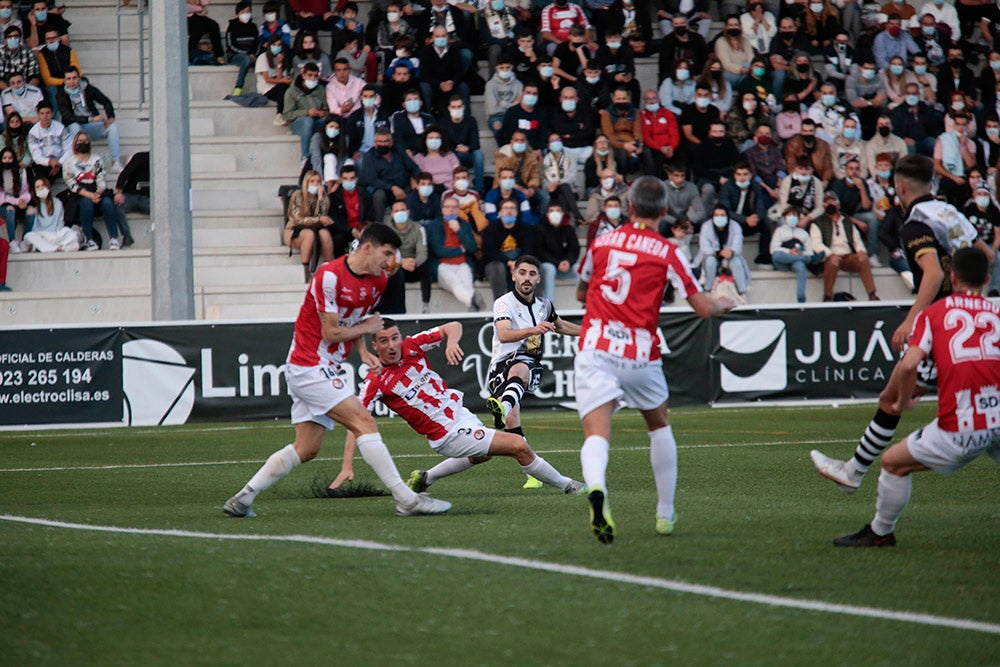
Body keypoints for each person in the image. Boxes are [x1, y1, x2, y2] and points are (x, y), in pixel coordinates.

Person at [224, 224, 452, 519]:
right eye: (386, 253)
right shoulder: (329, 276)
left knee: (307, 448)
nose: (390, 262)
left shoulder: (379, 281)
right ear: (367, 247)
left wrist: (363, 351)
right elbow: (331, 332)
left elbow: (356, 320)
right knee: (363, 421)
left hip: (324, 367)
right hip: (308, 365)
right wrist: (367, 329)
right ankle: (407, 499)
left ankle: (242, 499)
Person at [810, 155, 990, 493]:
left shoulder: (915, 223)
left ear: (900, 187)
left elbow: (934, 274)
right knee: (899, 398)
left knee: (894, 399)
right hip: (978, 314)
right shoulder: (950, 213)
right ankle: (853, 470)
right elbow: (986, 257)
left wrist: (912, 320)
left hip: (946, 326)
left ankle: (854, 473)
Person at [576, 176, 733, 543]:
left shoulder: (600, 242)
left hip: (597, 345)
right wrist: (725, 300)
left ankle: (597, 488)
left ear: (629, 208)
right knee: (659, 425)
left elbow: (583, 290)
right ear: (664, 212)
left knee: (596, 433)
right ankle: (664, 513)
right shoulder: (668, 250)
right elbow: (703, 308)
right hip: (640, 353)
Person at [830, 247, 1000, 547]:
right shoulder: (997, 312)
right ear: (987, 278)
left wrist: (903, 401)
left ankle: (880, 532)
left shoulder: (933, 313)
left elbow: (909, 364)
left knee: (893, 462)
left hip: (963, 424)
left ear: (952, 276)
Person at [338, 318, 582, 496]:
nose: (392, 345)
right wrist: (347, 465)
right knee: (519, 445)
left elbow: (453, 326)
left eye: (394, 338)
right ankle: (569, 485)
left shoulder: (412, 346)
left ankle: (425, 478)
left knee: (483, 455)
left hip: (461, 416)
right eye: (383, 341)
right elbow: (356, 423)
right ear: (374, 346)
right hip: (447, 434)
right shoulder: (375, 380)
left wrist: (450, 343)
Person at [484, 255, 581, 489]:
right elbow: (504, 334)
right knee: (503, 435)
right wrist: (533, 330)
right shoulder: (503, 303)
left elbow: (561, 326)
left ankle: (503, 406)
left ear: (539, 279)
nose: (527, 278)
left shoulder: (545, 306)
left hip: (526, 364)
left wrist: (591, 331)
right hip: (500, 365)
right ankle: (533, 474)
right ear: (514, 275)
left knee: (522, 366)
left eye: (532, 274)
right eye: (523, 272)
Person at [61, 130, 121, 251]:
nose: (83, 143)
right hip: (78, 195)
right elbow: (71, 184)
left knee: (108, 203)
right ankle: (89, 240)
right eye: (80, 141)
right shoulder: (68, 162)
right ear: (75, 144)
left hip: (96, 191)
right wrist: (89, 195)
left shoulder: (97, 159)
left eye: (85, 140)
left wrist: (98, 191)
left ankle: (114, 238)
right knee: (86, 203)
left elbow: (101, 178)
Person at [55, 67, 121, 171]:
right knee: (75, 127)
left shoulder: (87, 88)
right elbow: (68, 116)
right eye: (68, 79)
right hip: (74, 126)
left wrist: (110, 117)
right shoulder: (61, 94)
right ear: (64, 80)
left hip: (90, 126)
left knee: (112, 128)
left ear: (79, 78)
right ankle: (79, 161)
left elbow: (106, 102)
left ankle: (115, 161)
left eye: (74, 78)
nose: (72, 81)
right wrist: (90, 119)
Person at [427, 195, 480, 311]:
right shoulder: (434, 226)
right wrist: (460, 250)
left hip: (462, 264)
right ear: (442, 210)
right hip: (443, 265)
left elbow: (472, 248)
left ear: (458, 209)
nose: (451, 210)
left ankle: (473, 306)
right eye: (448, 207)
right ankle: (473, 302)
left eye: (454, 207)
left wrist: (459, 231)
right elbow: (438, 251)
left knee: (467, 284)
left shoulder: (464, 225)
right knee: (456, 282)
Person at [378, 200, 430, 314]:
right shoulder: (385, 230)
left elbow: (422, 253)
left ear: (408, 212)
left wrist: (413, 263)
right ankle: (400, 310)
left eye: (402, 210)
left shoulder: (418, 229)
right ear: (391, 214)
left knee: (426, 268)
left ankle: (426, 305)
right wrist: (401, 263)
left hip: (413, 265)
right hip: (395, 265)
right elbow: (383, 254)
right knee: (397, 272)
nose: (400, 213)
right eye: (396, 211)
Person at [359, 128, 419, 223]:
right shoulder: (369, 156)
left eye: (386, 141)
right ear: (375, 143)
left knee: (417, 192)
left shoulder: (398, 150)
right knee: (379, 195)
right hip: (384, 190)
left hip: (403, 187)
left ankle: (414, 224)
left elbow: (413, 167)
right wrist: (392, 187)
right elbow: (371, 179)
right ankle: (379, 224)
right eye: (380, 141)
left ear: (391, 143)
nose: (382, 144)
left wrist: (416, 180)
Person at [284, 170, 334, 282]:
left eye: (318, 182)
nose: (315, 184)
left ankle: (329, 270)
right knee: (309, 235)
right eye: (312, 181)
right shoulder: (297, 196)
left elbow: (322, 218)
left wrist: (320, 199)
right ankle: (306, 270)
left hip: (316, 228)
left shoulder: (324, 198)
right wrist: (318, 219)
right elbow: (298, 219)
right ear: (306, 182)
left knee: (325, 234)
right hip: (296, 230)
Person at [770, 206, 821, 302]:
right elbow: (773, 249)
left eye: (795, 216)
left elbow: (809, 251)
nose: (792, 218)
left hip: (797, 260)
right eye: (789, 215)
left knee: (801, 266)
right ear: (785, 218)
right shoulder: (779, 231)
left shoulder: (803, 233)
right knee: (776, 255)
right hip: (783, 262)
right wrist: (790, 251)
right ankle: (809, 260)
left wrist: (800, 253)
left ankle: (801, 297)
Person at [697, 205, 750, 297]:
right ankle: (707, 290)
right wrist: (718, 252)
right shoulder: (706, 227)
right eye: (716, 215)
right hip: (712, 255)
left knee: (736, 261)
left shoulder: (735, 226)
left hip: (729, 256)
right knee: (710, 261)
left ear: (727, 216)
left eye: (722, 215)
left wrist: (731, 252)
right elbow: (704, 247)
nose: (719, 218)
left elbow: (737, 245)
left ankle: (742, 292)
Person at [533, 203, 580, 301]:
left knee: (580, 269)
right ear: (546, 214)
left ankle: (583, 302)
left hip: (565, 266)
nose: (555, 213)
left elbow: (574, 249)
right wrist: (557, 263)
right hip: (547, 266)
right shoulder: (539, 229)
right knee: (549, 268)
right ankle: (549, 303)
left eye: (558, 210)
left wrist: (568, 261)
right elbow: (540, 251)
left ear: (563, 213)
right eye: (551, 211)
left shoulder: (569, 230)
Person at [283, 62, 328, 162]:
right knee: (307, 121)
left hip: (317, 121)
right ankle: (305, 157)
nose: (313, 79)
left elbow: (326, 108)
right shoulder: (292, 91)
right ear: (303, 75)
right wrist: (306, 112)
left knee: (330, 121)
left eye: (316, 76)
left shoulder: (321, 89)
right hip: (299, 123)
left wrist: (323, 113)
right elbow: (287, 115)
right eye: (310, 75)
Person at [439, 95, 483, 194]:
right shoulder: (443, 122)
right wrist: (457, 149)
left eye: (459, 106)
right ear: (449, 108)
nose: (456, 109)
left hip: (469, 154)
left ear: (463, 107)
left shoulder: (471, 120)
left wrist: (467, 148)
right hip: (453, 155)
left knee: (479, 154)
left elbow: (476, 144)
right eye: (454, 107)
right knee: (453, 155)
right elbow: (444, 145)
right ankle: (456, 188)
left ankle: (480, 189)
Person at [21, 175, 75, 252]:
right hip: (42, 235)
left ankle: (50, 247)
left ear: (47, 187)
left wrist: (54, 237)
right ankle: (56, 248)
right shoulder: (35, 208)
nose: (41, 188)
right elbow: (35, 229)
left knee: (71, 233)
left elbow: (60, 223)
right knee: (28, 236)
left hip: (56, 235)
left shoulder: (57, 203)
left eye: (43, 185)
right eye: (38, 187)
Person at [484, 54, 522, 143]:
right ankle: (503, 150)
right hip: (497, 116)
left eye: (507, 67)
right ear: (496, 68)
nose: (505, 70)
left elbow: (520, 105)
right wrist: (512, 105)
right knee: (498, 127)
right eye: (502, 68)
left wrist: (503, 103)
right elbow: (493, 109)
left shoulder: (518, 84)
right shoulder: (490, 85)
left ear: (512, 67)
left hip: (514, 115)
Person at [256, 35, 293, 123]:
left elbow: (279, 77)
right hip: (265, 89)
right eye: (274, 45)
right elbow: (267, 79)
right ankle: (279, 115)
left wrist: (280, 64)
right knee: (282, 86)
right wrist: (283, 81)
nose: (277, 47)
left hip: (277, 87)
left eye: (279, 45)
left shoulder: (281, 58)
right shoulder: (262, 57)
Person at [225, 1, 258, 96]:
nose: (245, 14)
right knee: (246, 59)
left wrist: (254, 54)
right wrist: (247, 54)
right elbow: (230, 45)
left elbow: (257, 43)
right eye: (243, 12)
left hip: (252, 55)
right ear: (237, 14)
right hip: (235, 55)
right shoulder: (232, 27)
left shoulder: (253, 27)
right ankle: (238, 87)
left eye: (248, 12)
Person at [27, 99, 65, 180]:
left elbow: (69, 149)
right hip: (44, 163)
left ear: (52, 114)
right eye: (42, 113)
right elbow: (36, 155)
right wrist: (50, 162)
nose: (45, 116)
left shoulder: (60, 128)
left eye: (48, 113)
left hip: (60, 161)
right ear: (38, 115)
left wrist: (58, 163)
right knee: (40, 172)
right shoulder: (33, 132)